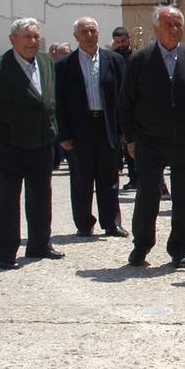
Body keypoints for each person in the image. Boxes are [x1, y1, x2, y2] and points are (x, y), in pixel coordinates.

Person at [118, 5, 185, 269]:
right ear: (156, 28)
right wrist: (129, 139)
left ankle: (180, 249)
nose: (173, 30)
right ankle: (142, 245)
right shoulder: (140, 60)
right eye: (168, 25)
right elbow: (126, 102)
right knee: (147, 195)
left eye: (177, 25)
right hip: (149, 141)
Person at [0, 18, 60, 270]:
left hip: (42, 142)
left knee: (41, 196)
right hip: (11, 145)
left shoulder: (45, 62)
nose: (32, 42)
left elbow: (52, 98)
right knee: (9, 199)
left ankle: (39, 244)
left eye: (35, 37)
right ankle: (4, 252)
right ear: (13, 40)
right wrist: (0, 132)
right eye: (26, 37)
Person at [55, 17, 127, 239]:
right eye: (84, 31)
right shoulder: (65, 66)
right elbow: (59, 102)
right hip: (79, 128)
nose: (89, 35)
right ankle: (84, 224)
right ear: (76, 36)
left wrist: (124, 129)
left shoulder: (113, 61)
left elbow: (124, 97)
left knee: (110, 179)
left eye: (93, 30)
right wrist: (64, 134)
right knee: (81, 180)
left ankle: (111, 223)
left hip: (107, 125)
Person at [110, 26, 137, 190]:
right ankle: (130, 176)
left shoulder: (135, 57)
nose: (121, 44)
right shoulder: (112, 59)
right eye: (117, 42)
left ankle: (138, 176)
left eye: (123, 41)